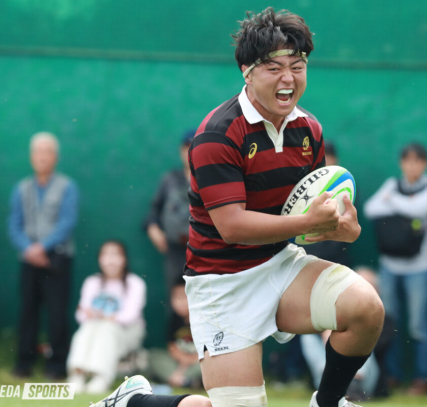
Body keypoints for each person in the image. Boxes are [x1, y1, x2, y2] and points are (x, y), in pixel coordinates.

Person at [94, 8, 384, 407]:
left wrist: (340, 227)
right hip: (221, 285)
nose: (288, 78)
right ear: (246, 71)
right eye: (274, 68)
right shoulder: (216, 134)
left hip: (280, 266)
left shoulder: (309, 130)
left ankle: (329, 402)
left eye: (297, 66)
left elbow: (304, 219)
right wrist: (307, 220)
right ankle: (134, 401)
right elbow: (232, 226)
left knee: (366, 307)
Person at [363, 142, 427, 394]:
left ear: (425, 164)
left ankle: (422, 378)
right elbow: (370, 208)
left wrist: (392, 200)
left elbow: (420, 209)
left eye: (417, 160)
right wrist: (405, 203)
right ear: (401, 163)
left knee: (418, 325)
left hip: (419, 268)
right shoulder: (391, 183)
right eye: (407, 160)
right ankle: (392, 375)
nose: (412, 166)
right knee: (389, 322)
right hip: (389, 266)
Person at [7, 132, 79, 379]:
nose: (42, 157)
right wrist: (29, 248)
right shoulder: (21, 188)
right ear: (31, 157)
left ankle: (57, 366)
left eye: (47, 152)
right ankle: (23, 364)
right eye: (38, 152)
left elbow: (67, 222)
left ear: (55, 157)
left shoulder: (68, 187)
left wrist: (43, 246)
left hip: (58, 259)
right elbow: (14, 224)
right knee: (28, 312)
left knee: (57, 313)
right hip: (29, 260)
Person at [67, 241, 147, 394]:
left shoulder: (135, 283)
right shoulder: (92, 282)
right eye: (106, 255)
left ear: (124, 259)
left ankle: (101, 377)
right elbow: (81, 315)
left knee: (107, 328)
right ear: (99, 259)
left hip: (127, 333)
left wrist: (102, 316)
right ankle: (77, 374)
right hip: (94, 329)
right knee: (87, 327)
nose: (111, 260)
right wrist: (94, 316)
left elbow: (129, 317)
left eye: (116, 255)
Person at [301, 267, 380, 401]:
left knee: (363, 340)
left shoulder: (383, 318)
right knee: (308, 337)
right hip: (328, 373)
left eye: (367, 287)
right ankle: (333, 386)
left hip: (364, 381)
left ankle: (352, 386)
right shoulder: (335, 314)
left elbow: (378, 348)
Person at [144, 130, 194, 288]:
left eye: (195, 147)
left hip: (206, 250)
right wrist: (153, 229)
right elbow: (154, 210)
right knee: (176, 292)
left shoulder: (211, 178)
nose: (190, 152)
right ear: (180, 151)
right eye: (186, 148)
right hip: (174, 250)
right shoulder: (170, 179)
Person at [146, 278, 202, 389]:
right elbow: (172, 348)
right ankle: (184, 381)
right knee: (154, 356)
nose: (180, 302)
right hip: (178, 363)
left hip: (197, 362)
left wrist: (187, 363)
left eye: (185, 297)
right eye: (177, 297)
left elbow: (206, 351)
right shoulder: (174, 320)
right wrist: (181, 366)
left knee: (209, 363)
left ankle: (182, 379)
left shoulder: (202, 319)